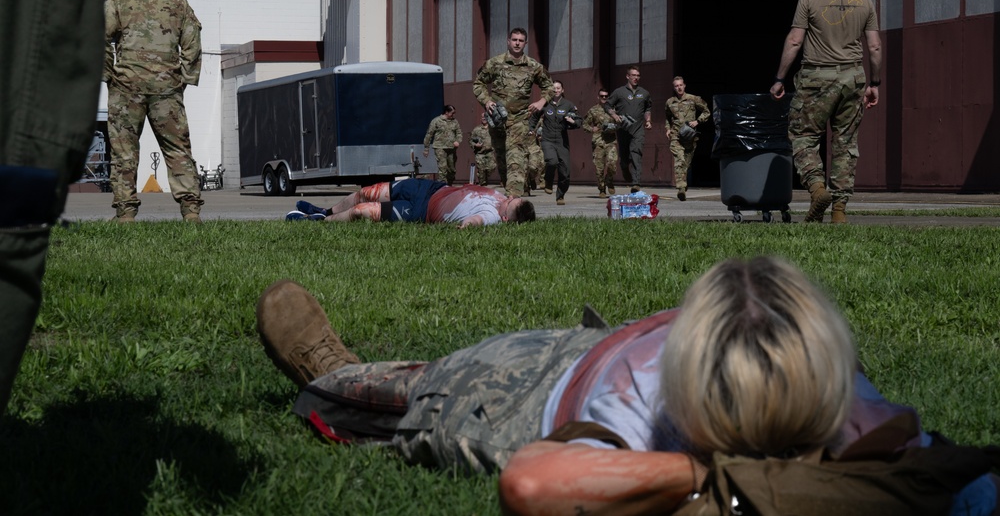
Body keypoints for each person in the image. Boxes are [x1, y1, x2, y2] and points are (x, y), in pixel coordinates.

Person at [256, 257, 997, 514]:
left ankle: (340, 377)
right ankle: (347, 370)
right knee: (452, 371)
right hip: (595, 352)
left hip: (534, 398)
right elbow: (538, 484)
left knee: (429, 390)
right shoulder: (666, 398)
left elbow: (535, 481)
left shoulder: (837, 397)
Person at [0, 0, 112, 413]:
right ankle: (176, 209)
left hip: (136, 91)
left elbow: (107, 29)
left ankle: (134, 209)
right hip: (152, 90)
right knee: (18, 164)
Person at [770, 0, 883, 224]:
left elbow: (795, 40)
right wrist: (875, 83)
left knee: (804, 136)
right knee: (844, 142)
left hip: (816, 77)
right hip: (852, 78)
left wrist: (780, 78)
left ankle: (818, 188)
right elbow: (875, 47)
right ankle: (839, 211)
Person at [104, 0, 204, 223]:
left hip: (126, 87)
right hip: (166, 89)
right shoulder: (176, 1)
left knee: (124, 151)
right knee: (177, 149)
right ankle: (190, 211)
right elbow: (192, 43)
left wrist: (109, 75)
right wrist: (183, 79)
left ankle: (125, 214)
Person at [472, 27, 554, 198]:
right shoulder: (495, 63)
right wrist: (486, 101)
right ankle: (510, 193)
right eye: (514, 40)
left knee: (516, 159)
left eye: (521, 40)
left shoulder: (533, 66)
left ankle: (513, 201)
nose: (517, 43)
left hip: (520, 119)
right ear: (508, 41)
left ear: (525, 43)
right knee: (502, 161)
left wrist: (541, 101)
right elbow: (478, 83)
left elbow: (549, 87)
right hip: (498, 120)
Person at [287, 178, 535, 227]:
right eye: (514, 197)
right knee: (367, 192)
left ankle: (316, 222)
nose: (509, 198)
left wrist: (466, 227)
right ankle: (324, 210)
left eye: (510, 204)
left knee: (363, 211)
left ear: (504, 218)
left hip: (422, 210)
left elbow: (475, 221)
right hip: (431, 188)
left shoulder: (491, 216)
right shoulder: (502, 199)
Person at [529, 81, 580, 205]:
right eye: (554, 88)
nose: (556, 90)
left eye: (558, 88)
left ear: (562, 90)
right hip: (548, 139)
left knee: (565, 171)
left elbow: (579, 120)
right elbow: (534, 117)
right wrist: (531, 129)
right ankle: (548, 181)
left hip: (562, 141)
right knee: (551, 161)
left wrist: (572, 122)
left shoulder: (568, 105)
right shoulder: (545, 104)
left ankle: (560, 195)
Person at [606, 65, 652, 192]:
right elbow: (608, 105)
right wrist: (614, 115)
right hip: (623, 130)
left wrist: (648, 120)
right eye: (633, 75)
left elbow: (648, 108)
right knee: (625, 157)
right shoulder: (619, 92)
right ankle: (624, 167)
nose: (636, 78)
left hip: (638, 130)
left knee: (636, 153)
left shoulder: (644, 93)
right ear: (628, 76)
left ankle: (636, 183)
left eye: (638, 75)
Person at [664, 76, 710, 201]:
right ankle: (681, 188)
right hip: (676, 136)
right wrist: (668, 128)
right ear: (674, 88)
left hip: (689, 136)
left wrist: (697, 121)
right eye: (676, 86)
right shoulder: (670, 102)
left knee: (686, 164)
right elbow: (667, 117)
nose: (679, 87)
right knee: (679, 159)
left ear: (684, 86)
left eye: (680, 85)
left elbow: (706, 111)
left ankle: (683, 184)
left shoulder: (693, 99)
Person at [582, 88, 619, 198]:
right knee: (599, 169)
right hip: (598, 141)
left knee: (612, 163)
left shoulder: (613, 110)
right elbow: (584, 124)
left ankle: (610, 181)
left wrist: (616, 126)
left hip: (610, 141)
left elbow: (620, 122)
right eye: (602, 96)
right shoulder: (593, 110)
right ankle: (602, 189)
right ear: (598, 97)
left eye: (606, 96)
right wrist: (591, 129)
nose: (604, 98)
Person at [423, 104, 462, 186]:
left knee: (451, 169)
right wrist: (426, 148)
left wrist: (458, 141)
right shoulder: (436, 121)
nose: (453, 115)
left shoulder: (455, 121)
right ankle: (443, 187)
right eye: (452, 113)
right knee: (442, 168)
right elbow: (429, 134)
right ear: (446, 112)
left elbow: (459, 133)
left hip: (451, 148)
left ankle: (450, 184)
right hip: (440, 147)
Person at [469, 113, 496, 186]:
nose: (483, 118)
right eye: (482, 117)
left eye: (485, 117)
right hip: (480, 153)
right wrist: (475, 145)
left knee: (491, 167)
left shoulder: (493, 128)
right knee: (481, 170)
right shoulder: (477, 129)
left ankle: (485, 177)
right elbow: (470, 140)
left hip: (490, 152)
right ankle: (483, 185)